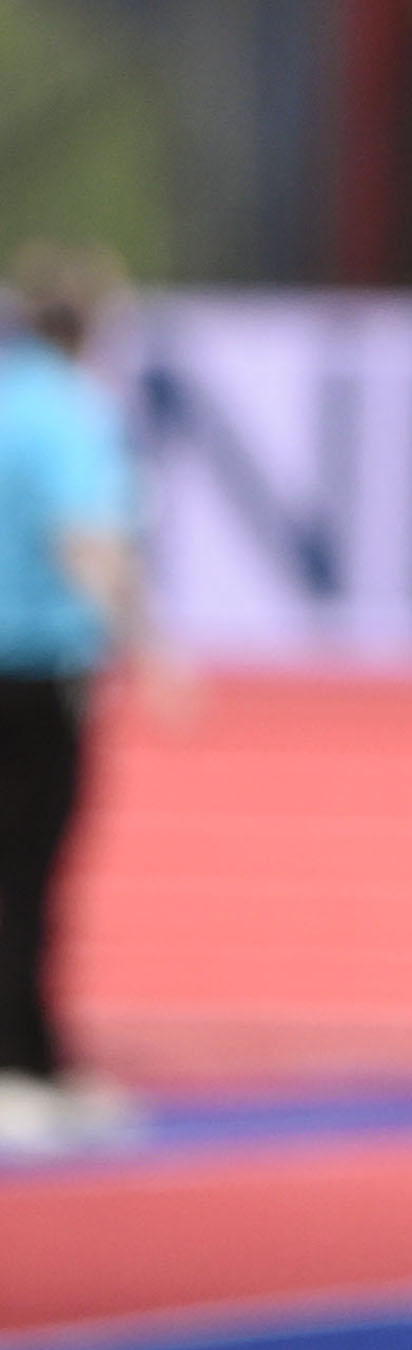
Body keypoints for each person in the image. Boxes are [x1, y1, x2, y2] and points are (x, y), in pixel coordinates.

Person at [0, 241, 148, 1153]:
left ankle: (35, 1056)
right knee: (28, 872)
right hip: (37, 670)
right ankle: (21, 1064)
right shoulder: (71, 412)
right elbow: (86, 539)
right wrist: (150, 647)